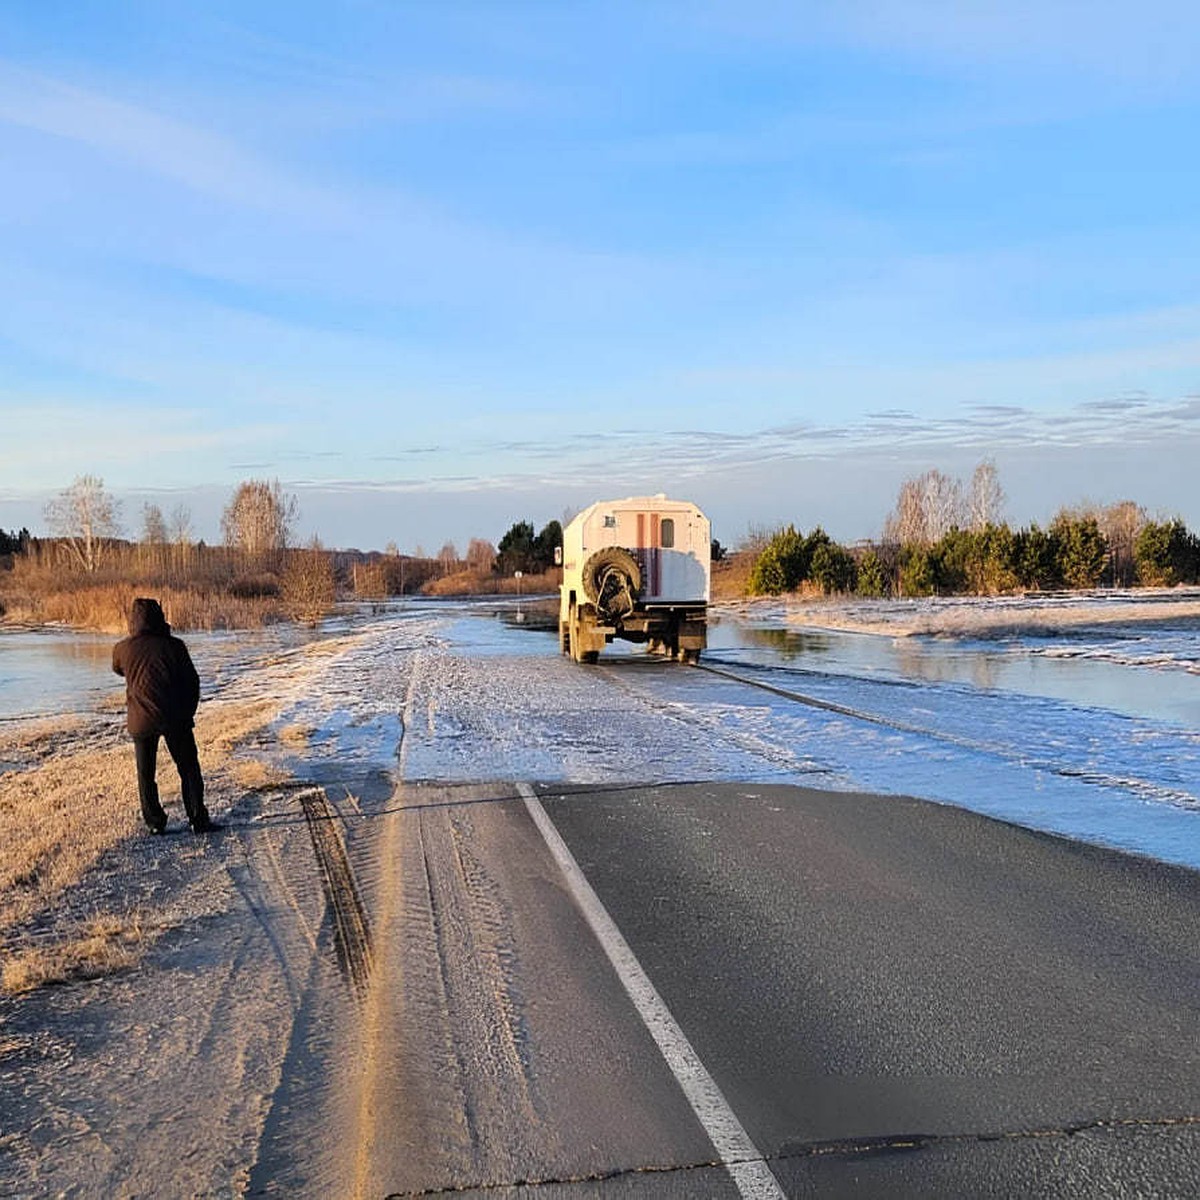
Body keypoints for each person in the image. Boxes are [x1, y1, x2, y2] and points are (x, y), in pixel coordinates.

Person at [112, 597, 219, 834]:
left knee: (145, 773)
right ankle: (197, 818)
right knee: (188, 767)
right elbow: (192, 682)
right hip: (174, 717)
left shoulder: (123, 648)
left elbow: (118, 668)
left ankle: (155, 823)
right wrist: (188, 711)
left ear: (133, 621)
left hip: (140, 719)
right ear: (160, 618)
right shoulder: (175, 647)